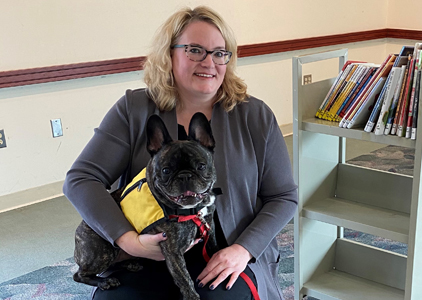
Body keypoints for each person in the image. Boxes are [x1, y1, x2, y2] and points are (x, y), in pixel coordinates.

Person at [63, 6, 298, 300]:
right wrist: (129, 242)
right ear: (169, 54)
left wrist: (243, 250)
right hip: (147, 248)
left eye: (219, 53)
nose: (209, 63)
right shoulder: (133, 109)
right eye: (195, 50)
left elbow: (284, 197)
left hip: (226, 252)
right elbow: (81, 179)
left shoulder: (254, 115)